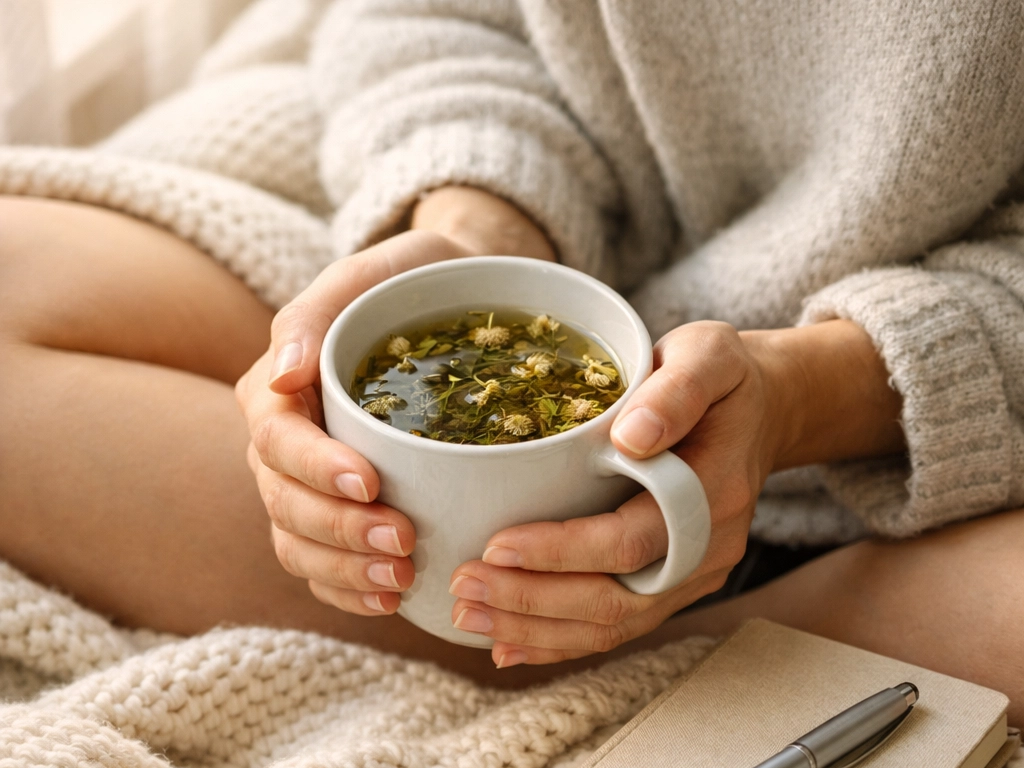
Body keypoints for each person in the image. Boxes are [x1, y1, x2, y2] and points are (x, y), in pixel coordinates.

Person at [1, 1, 1022, 715]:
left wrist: (798, 397)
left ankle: (680, 644)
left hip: (897, 421)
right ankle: (550, 619)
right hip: (553, 223)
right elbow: (430, 16)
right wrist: (476, 235)